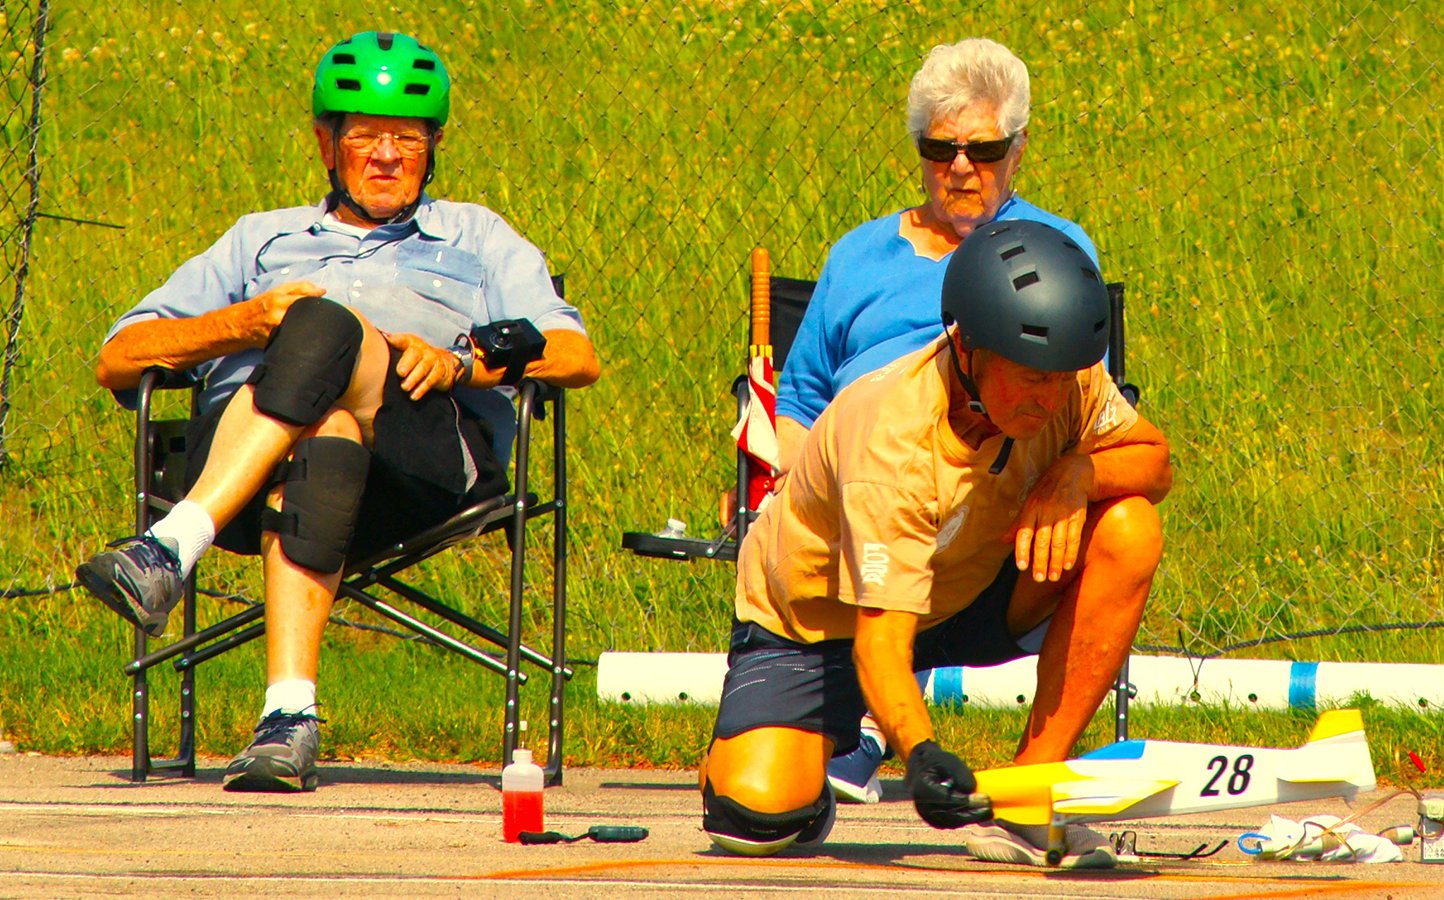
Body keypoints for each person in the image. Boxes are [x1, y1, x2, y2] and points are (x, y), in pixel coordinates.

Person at [75, 31, 599, 793]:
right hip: (264, 476)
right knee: (325, 431)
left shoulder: (477, 237)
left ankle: (169, 546)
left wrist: (460, 362)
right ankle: (289, 719)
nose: (386, 155)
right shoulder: (260, 240)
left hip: (419, 464)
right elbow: (117, 358)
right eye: (364, 135)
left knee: (323, 327)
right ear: (326, 143)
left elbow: (574, 353)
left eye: (407, 138)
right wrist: (243, 323)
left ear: (434, 146)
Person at [700, 220, 1170, 868]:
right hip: (821, 620)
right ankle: (763, 753)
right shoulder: (891, 436)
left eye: (1063, 377)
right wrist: (921, 753)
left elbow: (1154, 458)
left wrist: (1080, 473)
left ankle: (1030, 793)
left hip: (962, 592)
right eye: (1032, 377)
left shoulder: (1066, 374)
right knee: (759, 823)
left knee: (1129, 526)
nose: (1051, 396)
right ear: (969, 347)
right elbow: (880, 641)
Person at [774, 37, 1102, 805]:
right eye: (939, 148)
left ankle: (1013, 772)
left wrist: (1074, 475)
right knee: (758, 805)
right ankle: (842, 726)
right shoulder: (857, 255)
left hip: (991, 499)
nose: (960, 168)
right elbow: (801, 397)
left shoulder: (1056, 253)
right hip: (859, 497)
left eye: (982, 149)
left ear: (1018, 150)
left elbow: (1092, 406)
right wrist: (784, 483)